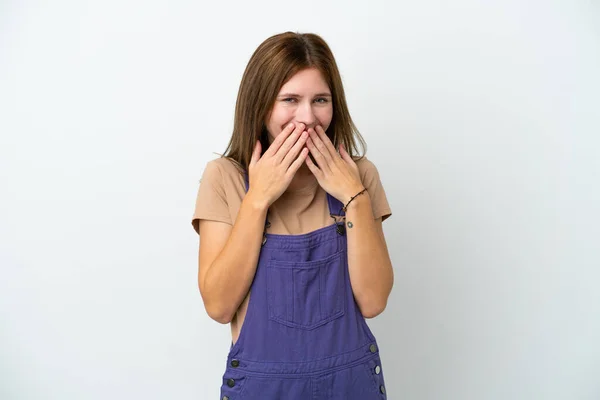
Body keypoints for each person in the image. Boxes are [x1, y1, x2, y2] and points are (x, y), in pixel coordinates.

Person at [191, 31, 394, 400]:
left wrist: (354, 198)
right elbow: (219, 306)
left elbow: (374, 300)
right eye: (290, 100)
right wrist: (258, 199)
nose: (308, 117)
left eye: (320, 100)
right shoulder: (225, 178)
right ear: (261, 104)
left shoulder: (360, 176)